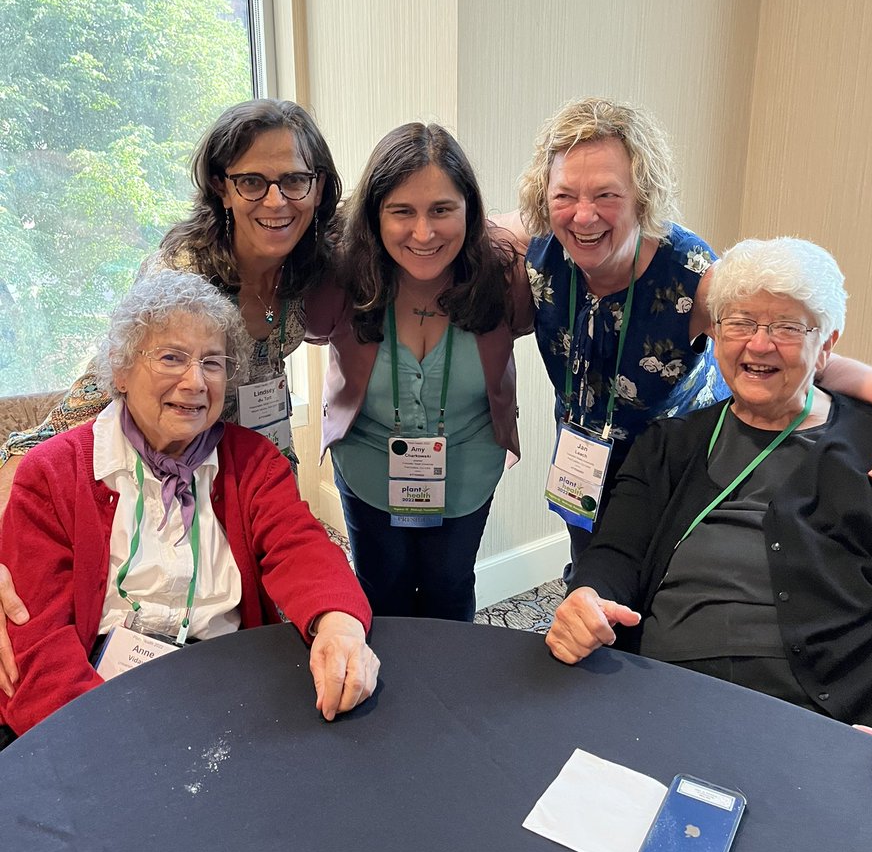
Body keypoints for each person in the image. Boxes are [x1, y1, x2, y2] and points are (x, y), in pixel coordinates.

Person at [0, 97, 342, 695]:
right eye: (252, 181)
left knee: (273, 575)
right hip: (159, 446)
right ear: (221, 186)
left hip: (243, 456)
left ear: (316, 186)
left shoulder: (311, 259)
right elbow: (85, 409)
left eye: (294, 179)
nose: (276, 199)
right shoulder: (180, 275)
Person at [498, 97, 872, 562]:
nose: (583, 216)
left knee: (663, 590)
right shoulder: (535, 248)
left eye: (607, 195)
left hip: (675, 471)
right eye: (565, 195)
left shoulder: (694, 277)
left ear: (642, 195)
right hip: (582, 459)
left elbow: (785, 351)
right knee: (593, 566)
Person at [0, 270, 378, 741]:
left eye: (213, 363)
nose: (195, 381)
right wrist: (107, 737)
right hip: (93, 695)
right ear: (120, 369)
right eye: (172, 358)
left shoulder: (252, 461)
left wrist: (339, 624)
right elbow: (37, 645)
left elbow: (300, 547)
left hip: (223, 678)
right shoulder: (53, 473)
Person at [545, 237, 872, 730]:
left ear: (827, 346)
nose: (759, 343)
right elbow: (616, 553)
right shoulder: (670, 442)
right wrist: (587, 593)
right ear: (714, 334)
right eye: (741, 322)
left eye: (786, 326)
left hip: (822, 715)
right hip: (664, 688)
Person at [304, 122, 533, 622]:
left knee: (450, 590)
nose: (424, 233)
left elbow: (551, 218)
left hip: (470, 463)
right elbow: (293, 309)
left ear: (469, 211)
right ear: (374, 216)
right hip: (366, 461)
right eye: (402, 211)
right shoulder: (342, 272)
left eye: (442, 210)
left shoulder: (504, 271)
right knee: (379, 592)